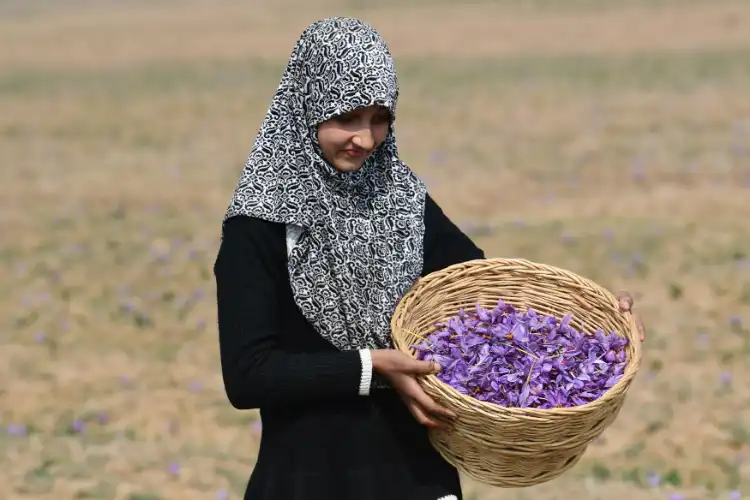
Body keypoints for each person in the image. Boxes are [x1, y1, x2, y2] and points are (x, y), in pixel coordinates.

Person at [213, 16, 647, 500]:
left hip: (415, 478)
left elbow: (481, 291)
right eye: (347, 118)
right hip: (310, 477)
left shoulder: (400, 199)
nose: (367, 138)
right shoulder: (258, 227)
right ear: (304, 109)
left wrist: (592, 324)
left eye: (380, 117)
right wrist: (370, 367)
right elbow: (248, 375)